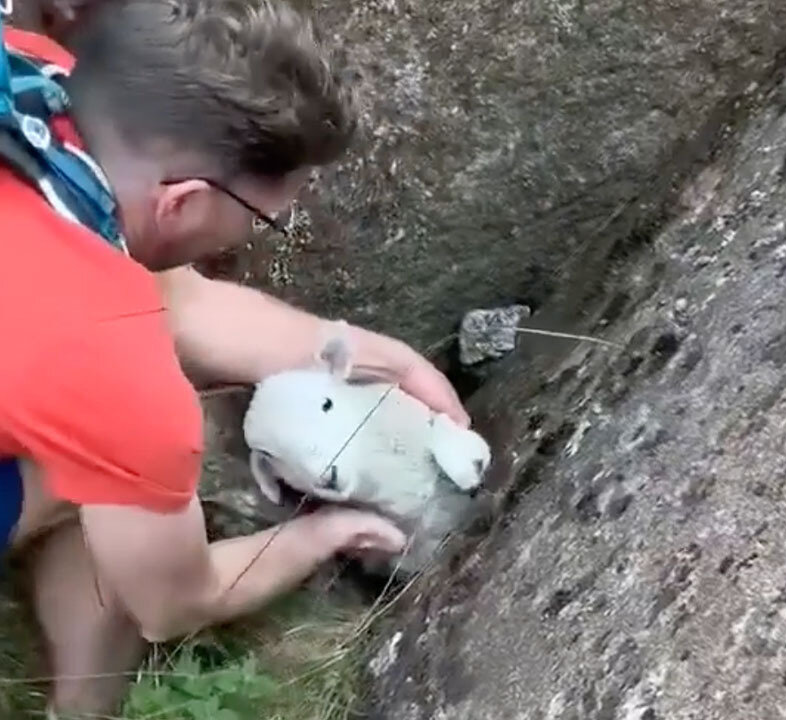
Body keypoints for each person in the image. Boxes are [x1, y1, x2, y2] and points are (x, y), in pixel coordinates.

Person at [0, 0, 472, 715]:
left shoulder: (37, 73)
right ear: (183, 202)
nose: (249, 239)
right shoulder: (114, 375)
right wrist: (319, 534)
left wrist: (386, 360)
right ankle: (82, 708)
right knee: (120, 478)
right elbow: (175, 601)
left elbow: (174, 299)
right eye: (259, 219)